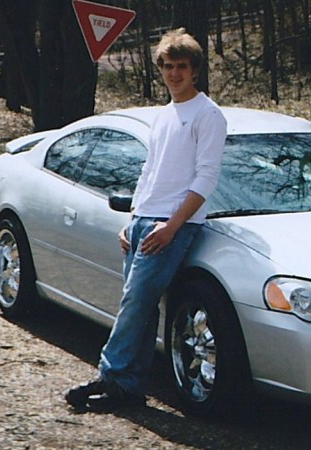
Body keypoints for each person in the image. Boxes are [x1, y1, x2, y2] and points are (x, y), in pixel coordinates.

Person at [65, 28, 227, 412]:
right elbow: (150, 171)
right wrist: (133, 218)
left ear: (195, 71)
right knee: (139, 304)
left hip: (173, 225)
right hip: (142, 220)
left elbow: (206, 177)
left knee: (137, 301)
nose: (174, 74)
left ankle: (109, 373)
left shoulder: (208, 115)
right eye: (168, 67)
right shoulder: (165, 114)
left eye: (182, 67)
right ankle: (129, 388)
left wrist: (171, 227)